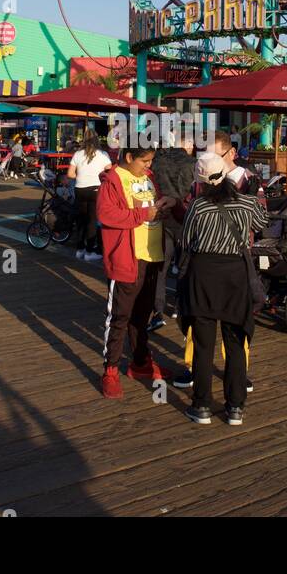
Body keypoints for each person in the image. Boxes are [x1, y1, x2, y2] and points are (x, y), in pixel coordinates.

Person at [177, 151, 268, 426]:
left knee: (204, 344)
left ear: (201, 180)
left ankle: (202, 405)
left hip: (203, 274)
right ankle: (235, 407)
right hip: (235, 274)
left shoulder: (198, 206)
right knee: (235, 341)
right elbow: (262, 225)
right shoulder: (247, 202)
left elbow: (186, 240)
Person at [96, 146, 174, 399]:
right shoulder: (114, 180)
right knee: (119, 316)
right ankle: (110, 370)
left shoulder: (149, 178)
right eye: (144, 161)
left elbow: (153, 209)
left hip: (152, 256)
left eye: (151, 161)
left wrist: (167, 205)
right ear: (129, 157)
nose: (148, 166)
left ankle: (140, 362)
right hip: (127, 258)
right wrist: (144, 213)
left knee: (141, 316)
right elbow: (106, 215)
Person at [149, 135, 196, 330]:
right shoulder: (193, 164)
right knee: (185, 266)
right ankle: (179, 306)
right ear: (187, 146)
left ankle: (158, 310)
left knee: (161, 266)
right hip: (185, 217)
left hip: (163, 215)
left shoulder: (158, 161)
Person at [68, 132, 113, 262]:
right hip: (95, 190)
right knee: (92, 221)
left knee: (81, 220)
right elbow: (110, 172)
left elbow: (70, 174)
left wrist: (81, 177)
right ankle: (89, 251)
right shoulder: (103, 155)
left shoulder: (77, 154)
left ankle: (79, 249)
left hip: (80, 189)